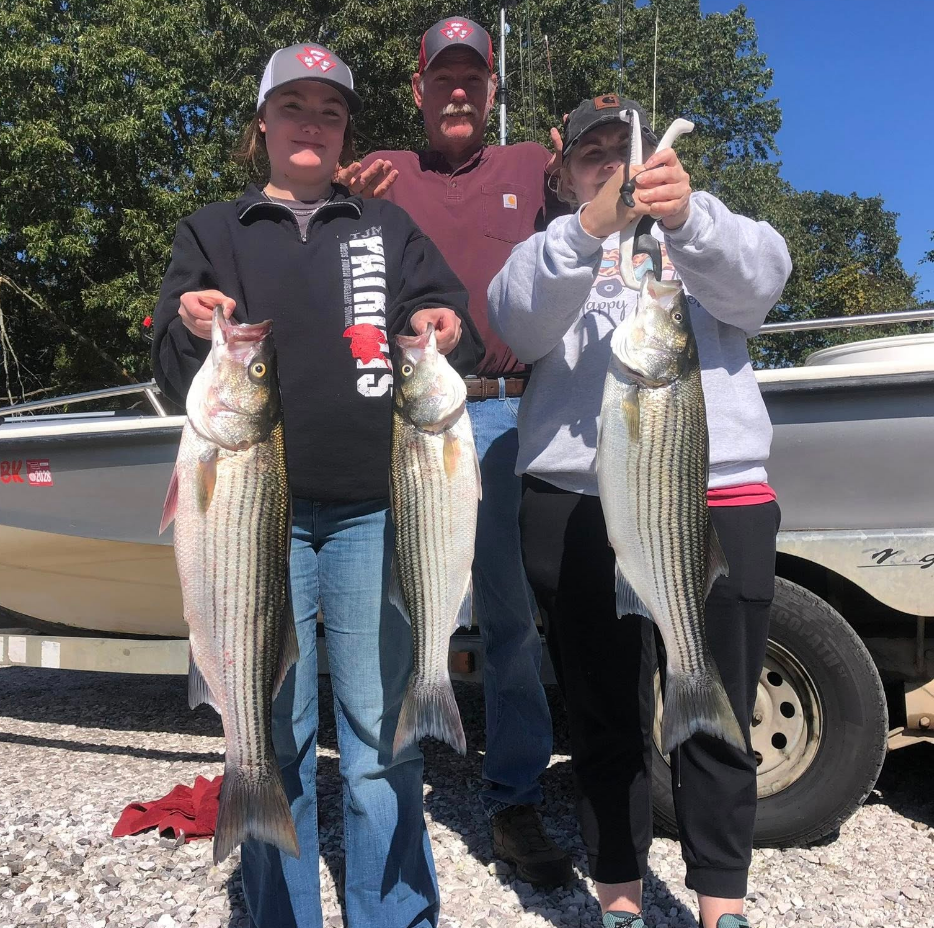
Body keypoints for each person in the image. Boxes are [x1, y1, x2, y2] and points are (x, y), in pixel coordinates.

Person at [151, 43, 484, 928]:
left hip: (382, 514)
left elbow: (457, 331)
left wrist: (444, 323)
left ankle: (397, 914)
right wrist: (190, 327)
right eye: (294, 106)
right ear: (263, 122)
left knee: (381, 744)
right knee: (272, 735)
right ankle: (277, 916)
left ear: (345, 132)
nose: (312, 123)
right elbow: (168, 364)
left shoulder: (385, 227)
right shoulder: (213, 231)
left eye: (329, 110)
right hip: (257, 527)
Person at [487, 95, 792, 928]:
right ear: (563, 171)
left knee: (719, 710)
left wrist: (688, 218)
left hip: (715, 493)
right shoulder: (547, 248)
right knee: (600, 711)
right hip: (573, 506)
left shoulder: (709, 227)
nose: (615, 169)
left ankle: (721, 904)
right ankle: (619, 894)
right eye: (593, 155)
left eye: (626, 153)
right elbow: (514, 317)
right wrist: (589, 228)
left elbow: (762, 284)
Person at [346, 16, 573, 887]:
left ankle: (515, 799)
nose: (456, 91)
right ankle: (394, 786)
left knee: (513, 623)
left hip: (516, 416)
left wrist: (592, 157)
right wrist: (337, 198)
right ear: (417, 90)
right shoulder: (384, 174)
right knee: (401, 612)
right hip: (410, 418)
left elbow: (599, 228)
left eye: (471, 78)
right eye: (441, 77)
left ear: (490, 88)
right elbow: (343, 281)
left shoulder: (528, 167)